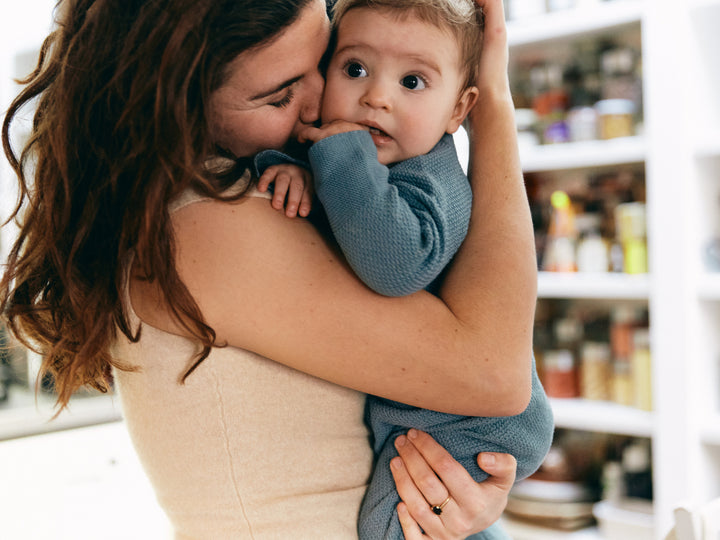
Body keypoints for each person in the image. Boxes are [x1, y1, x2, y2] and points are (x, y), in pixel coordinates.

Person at [0, 0, 537, 538]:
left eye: (324, 59)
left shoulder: (249, 183)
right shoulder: (204, 226)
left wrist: (450, 493)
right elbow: (496, 374)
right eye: (279, 94)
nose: (321, 103)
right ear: (178, 105)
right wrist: (492, 106)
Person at [253, 1, 554, 538]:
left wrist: (336, 158)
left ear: (459, 111)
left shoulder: (434, 177)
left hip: (468, 422)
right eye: (354, 69)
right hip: (423, 411)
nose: (377, 97)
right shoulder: (362, 156)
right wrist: (289, 171)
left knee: (392, 524)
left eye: (413, 81)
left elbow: (396, 263)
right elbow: (343, 202)